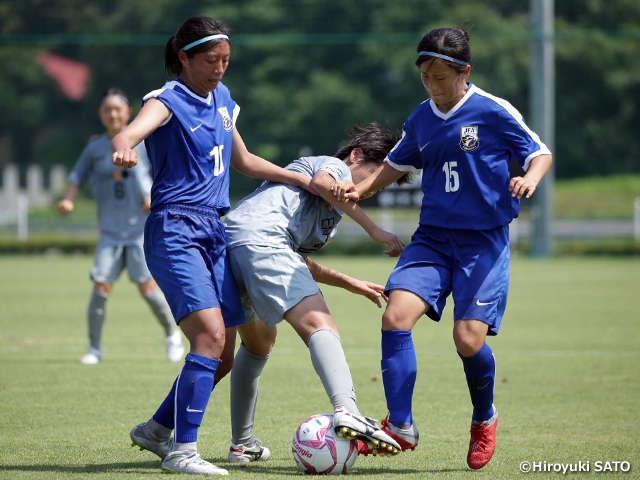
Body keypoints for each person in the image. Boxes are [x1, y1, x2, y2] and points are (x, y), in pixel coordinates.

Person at [331, 27, 553, 470]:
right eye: (425, 76)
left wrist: (529, 178)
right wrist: (363, 191)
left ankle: (484, 417)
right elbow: (397, 162)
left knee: (467, 339)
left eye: (440, 76)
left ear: (464, 71)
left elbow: (540, 153)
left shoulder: (492, 111)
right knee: (395, 317)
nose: (433, 85)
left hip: (482, 243)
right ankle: (400, 425)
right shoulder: (421, 118)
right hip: (433, 239)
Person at [111, 17, 314, 476]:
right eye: (210, 60)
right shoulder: (168, 100)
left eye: (225, 60)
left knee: (221, 351)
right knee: (209, 336)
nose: (219, 68)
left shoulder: (223, 100)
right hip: (175, 229)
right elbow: (130, 132)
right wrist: (123, 146)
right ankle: (183, 452)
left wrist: (303, 180)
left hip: (213, 230)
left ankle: (156, 431)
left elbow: (242, 160)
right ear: (184, 58)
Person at [221, 122, 413, 463]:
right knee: (320, 324)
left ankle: (242, 443)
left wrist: (351, 283)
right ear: (356, 155)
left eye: (377, 186)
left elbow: (297, 263)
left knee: (258, 343)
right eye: (371, 175)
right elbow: (324, 183)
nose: (369, 189)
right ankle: (347, 409)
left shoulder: (332, 216)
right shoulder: (335, 166)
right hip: (261, 241)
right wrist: (375, 229)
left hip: (235, 247)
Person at [57, 88, 184, 365]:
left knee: (147, 289)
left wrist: (155, 196)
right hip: (110, 234)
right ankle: (94, 349)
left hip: (140, 232)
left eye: (118, 109)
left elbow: (165, 172)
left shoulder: (144, 142)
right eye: (107, 109)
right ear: (101, 115)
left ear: (128, 113)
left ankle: (171, 335)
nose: (113, 114)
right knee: (100, 287)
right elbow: (77, 175)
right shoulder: (95, 148)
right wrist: (67, 199)